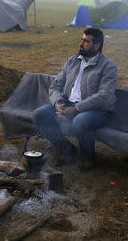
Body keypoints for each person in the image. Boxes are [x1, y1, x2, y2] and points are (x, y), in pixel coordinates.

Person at [33, 28, 118, 172]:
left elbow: (104, 95)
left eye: (86, 41)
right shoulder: (72, 61)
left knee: (80, 121)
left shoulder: (108, 66)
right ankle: (68, 150)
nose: (81, 43)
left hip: (97, 110)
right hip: (68, 105)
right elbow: (55, 86)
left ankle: (87, 159)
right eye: (81, 39)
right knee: (40, 114)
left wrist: (77, 108)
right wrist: (58, 103)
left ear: (97, 45)